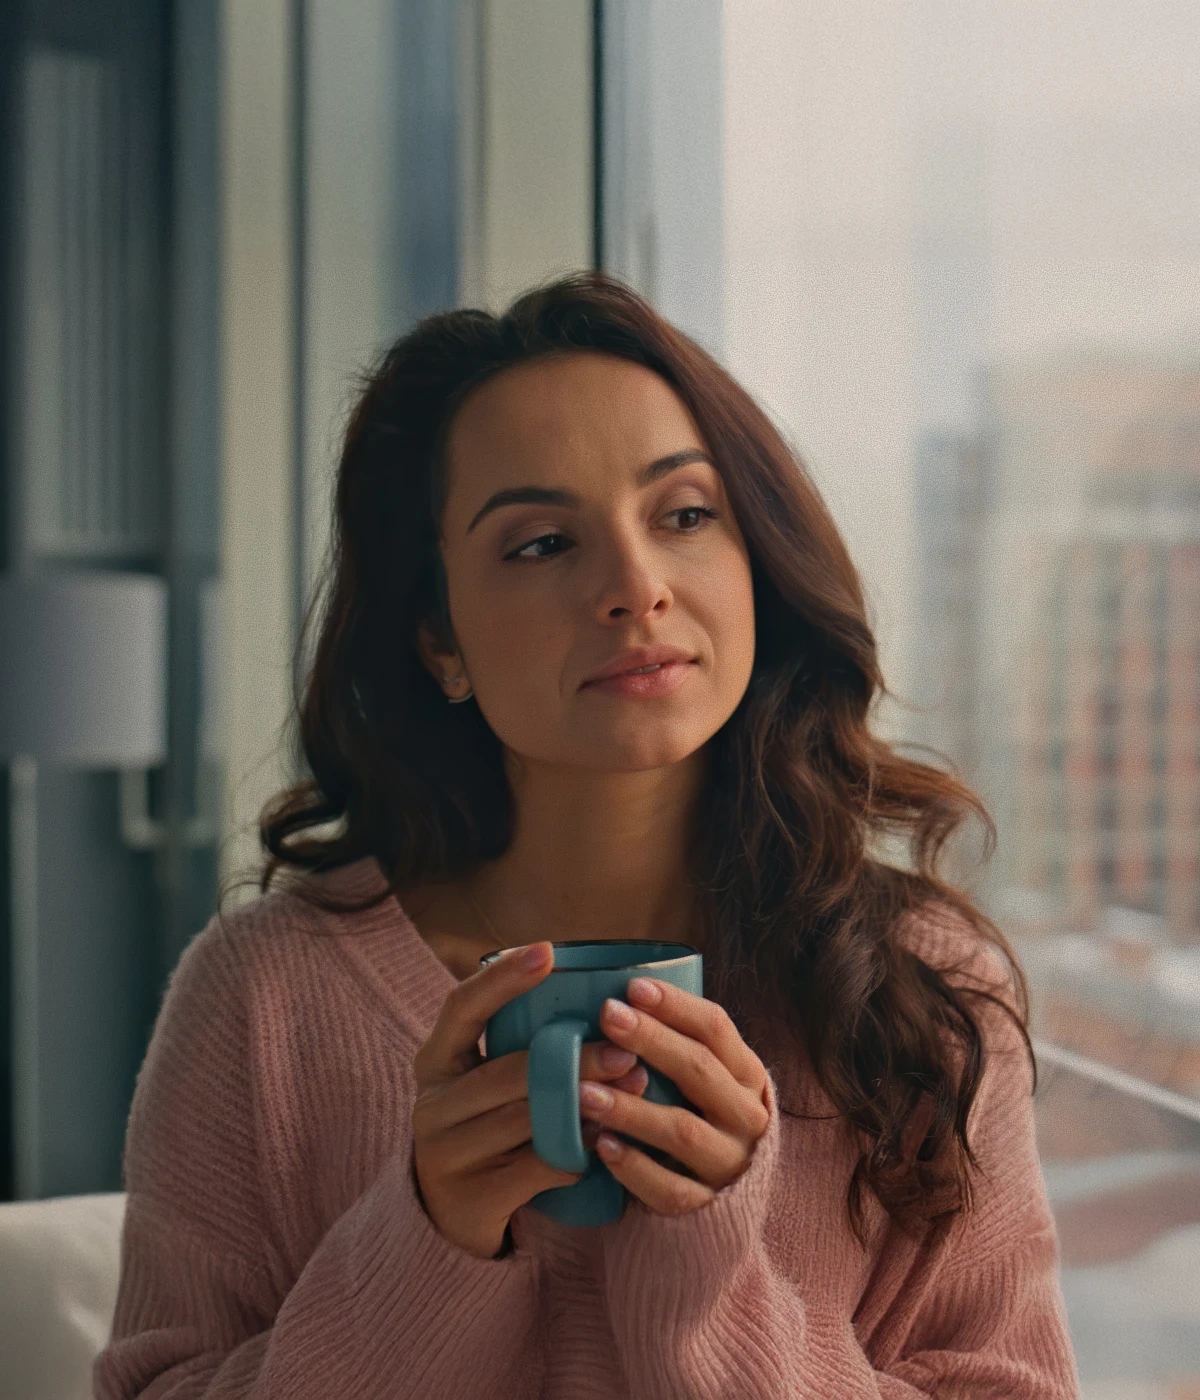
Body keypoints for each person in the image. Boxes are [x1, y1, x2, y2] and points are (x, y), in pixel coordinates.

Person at [93, 270, 1081, 1398]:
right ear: (438, 639)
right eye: (540, 543)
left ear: (755, 558)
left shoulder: (921, 988)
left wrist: (710, 1270)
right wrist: (423, 1245)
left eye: (686, 514)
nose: (635, 585)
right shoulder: (263, 997)